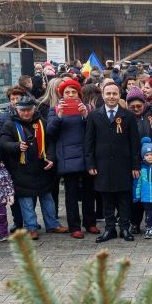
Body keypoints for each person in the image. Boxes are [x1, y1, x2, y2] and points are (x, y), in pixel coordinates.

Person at [0, 95, 67, 239]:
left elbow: (50, 142)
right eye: (22, 110)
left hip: (42, 168)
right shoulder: (9, 124)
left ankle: (52, 224)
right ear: (16, 109)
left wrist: (51, 158)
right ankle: (31, 228)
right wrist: (17, 146)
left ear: (34, 108)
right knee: (26, 201)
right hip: (21, 169)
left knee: (47, 198)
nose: (26, 113)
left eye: (29, 109)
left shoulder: (41, 121)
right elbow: (3, 144)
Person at [85, 83, 141, 243]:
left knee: (124, 198)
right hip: (102, 164)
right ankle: (109, 229)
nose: (111, 97)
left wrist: (135, 165)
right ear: (103, 95)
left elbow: (134, 143)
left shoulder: (128, 116)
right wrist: (90, 164)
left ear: (119, 95)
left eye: (114, 94)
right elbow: (88, 142)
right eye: (108, 93)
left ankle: (125, 227)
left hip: (123, 164)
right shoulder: (95, 115)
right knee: (106, 199)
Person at [46, 78, 97, 239]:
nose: (70, 95)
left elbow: (94, 131)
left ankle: (90, 223)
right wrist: (59, 116)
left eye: (73, 92)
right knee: (71, 194)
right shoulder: (55, 109)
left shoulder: (87, 108)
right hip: (67, 156)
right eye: (67, 92)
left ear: (78, 94)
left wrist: (85, 115)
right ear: (62, 94)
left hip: (86, 154)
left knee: (89, 192)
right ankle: (75, 226)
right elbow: (50, 133)